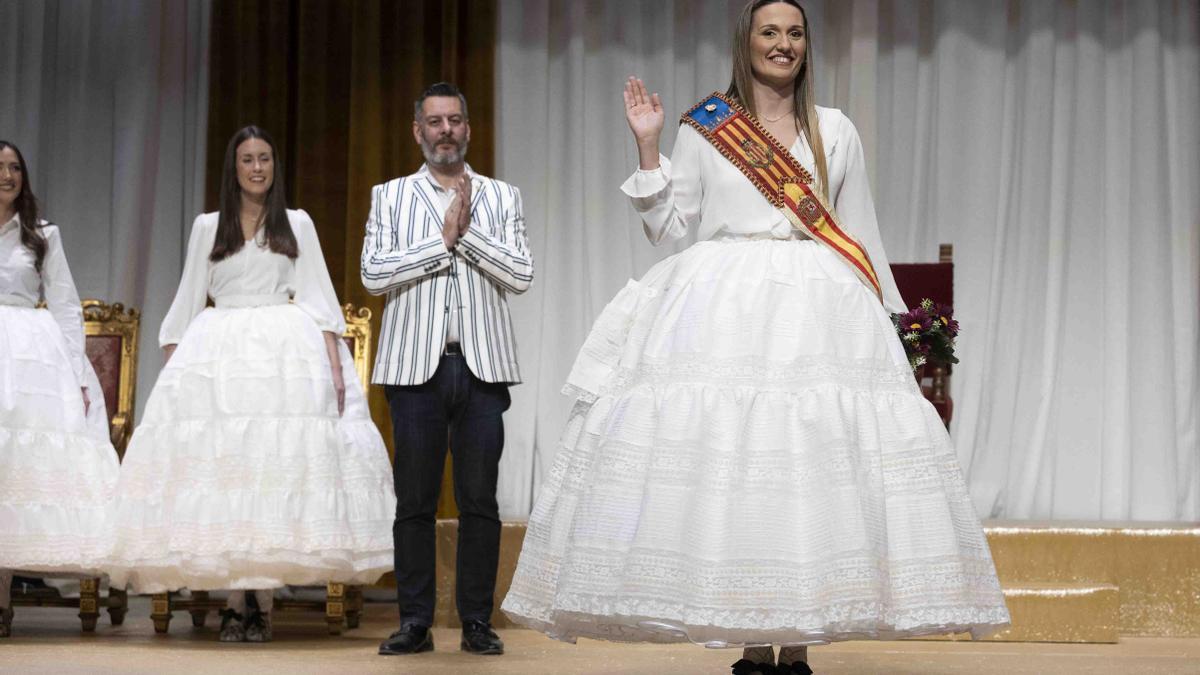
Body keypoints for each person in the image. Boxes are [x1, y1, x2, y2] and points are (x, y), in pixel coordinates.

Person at [501, 2, 1009, 673]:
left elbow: (859, 234)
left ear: (807, 45)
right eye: (770, 32)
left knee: (807, 464)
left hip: (817, 307)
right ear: (746, 42)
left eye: (795, 33)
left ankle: (797, 641)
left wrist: (891, 323)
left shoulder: (835, 130)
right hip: (722, 302)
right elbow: (667, 226)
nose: (783, 44)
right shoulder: (708, 127)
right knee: (734, 465)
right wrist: (650, 147)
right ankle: (748, 641)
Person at [104, 126, 396, 643]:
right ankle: (235, 602)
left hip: (284, 353)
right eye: (247, 159)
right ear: (233, 168)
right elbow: (189, 298)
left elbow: (317, 296)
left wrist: (334, 363)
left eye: (264, 158)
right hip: (222, 355)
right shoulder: (207, 227)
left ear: (274, 166)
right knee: (228, 474)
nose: (257, 168)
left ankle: (263, 601)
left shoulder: (297, 223)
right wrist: (179, 372)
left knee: (272, 473)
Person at [364, 82, 533, 657]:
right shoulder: (389, 197)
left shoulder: (501, 196)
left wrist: (468, 236)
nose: (445, 131)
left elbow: (520, 274)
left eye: (455, 120)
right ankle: (414, 620)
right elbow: (373, 274)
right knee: (413, 499)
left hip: (482, 368)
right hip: (415, 370)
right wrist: (442, 243)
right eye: (434, 122)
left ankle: (477, 621)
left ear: (468, 128)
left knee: (479, 499)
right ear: (418, 131)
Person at [0, 140, 120, 637]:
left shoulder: (42, 234)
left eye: (14, 168)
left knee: (18, 475)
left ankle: (1, 599)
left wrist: (78, 372)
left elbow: (67, 306)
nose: (7, 175)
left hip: (28, 357)